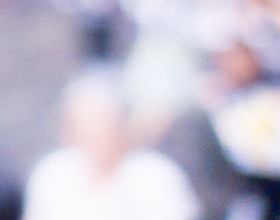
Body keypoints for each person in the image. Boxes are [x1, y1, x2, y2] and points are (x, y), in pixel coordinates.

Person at [24, 72, 200, 220]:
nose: (97, 132)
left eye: (104, 121)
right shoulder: (51, 175)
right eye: (86, 124)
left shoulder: (157, 175)